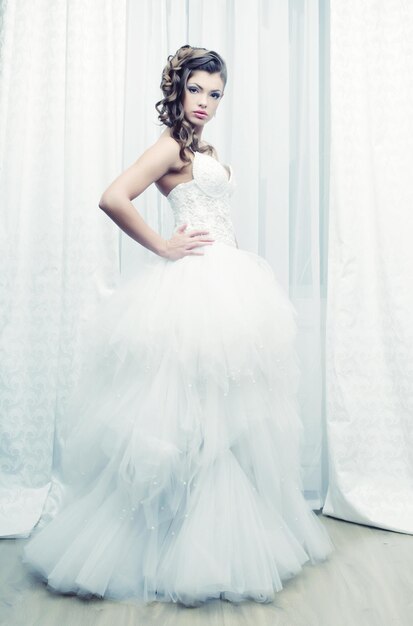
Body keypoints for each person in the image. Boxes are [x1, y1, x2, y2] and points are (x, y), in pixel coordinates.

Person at [22, 44, 334, 607]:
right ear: (177, 88)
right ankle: (167, 545)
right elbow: (113, 197)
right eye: (197, 90)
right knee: (187, 421)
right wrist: (164, 245)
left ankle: (210, 543)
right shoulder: (169, 144)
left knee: (226, 421)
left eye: (216, 94)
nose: (206, 102)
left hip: (231, 284)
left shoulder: (201, 147)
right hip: (194, 289)